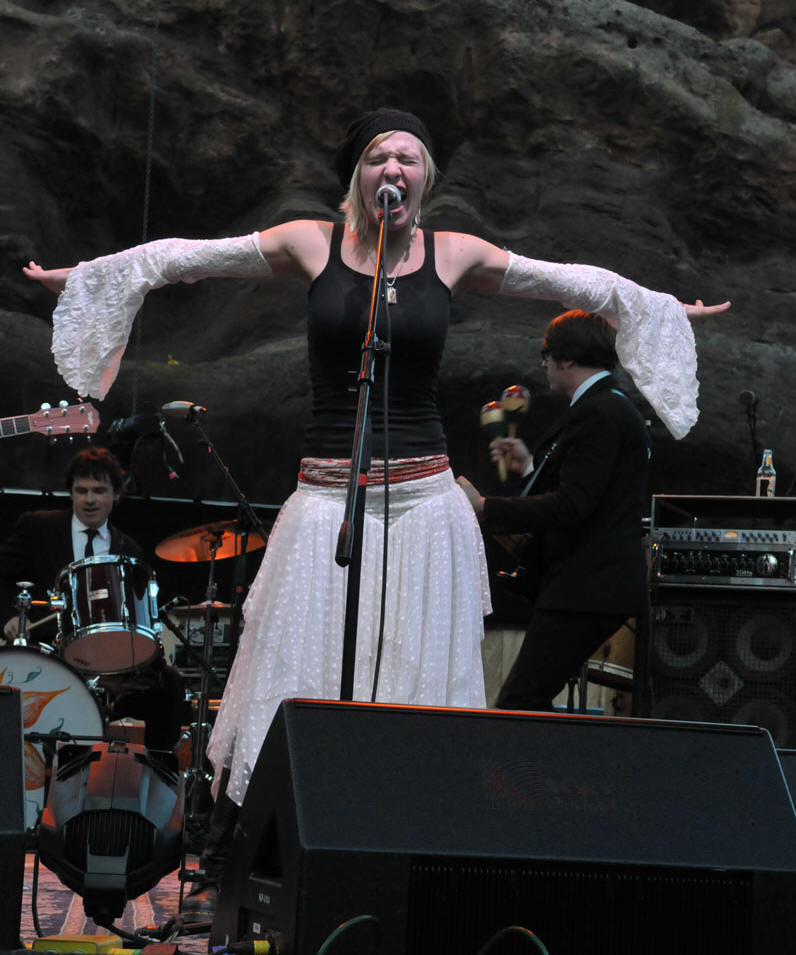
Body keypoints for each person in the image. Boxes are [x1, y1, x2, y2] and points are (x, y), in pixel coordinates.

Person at [21, 108, 729, 915]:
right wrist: (85, 275)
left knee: (411, 696)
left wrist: (663, 308)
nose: (393, 168)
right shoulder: (310, 242)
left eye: (408, 158)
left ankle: (403, 877)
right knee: (306, 688)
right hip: (328, 502)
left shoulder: (452, 253)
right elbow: (186, 260)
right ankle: (281, 879)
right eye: (379, 157)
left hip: (427, 508)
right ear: (357, 174)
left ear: (424, 178)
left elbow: (571, 281)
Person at [457, 309, 650, 710]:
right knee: (529, 698)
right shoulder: (609, 406)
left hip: (587, 587)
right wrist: (530, 467)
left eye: (546, 354)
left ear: (566, 359)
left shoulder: (598, 412)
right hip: (591, 585)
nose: (543, 364)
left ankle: (548, 774)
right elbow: (595, 489)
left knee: (522, 701)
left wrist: (485, 507)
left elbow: (573, 505)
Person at [0, 446, 185, 751]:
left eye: (99, 491)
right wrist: (7, 616)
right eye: (81, 490)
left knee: (170, 685)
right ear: (70, 493)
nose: (89, 500)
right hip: (50, 656)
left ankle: (155, 777)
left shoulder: (129, 549)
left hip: (111, 669)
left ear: (116, 495)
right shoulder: (37, 527)